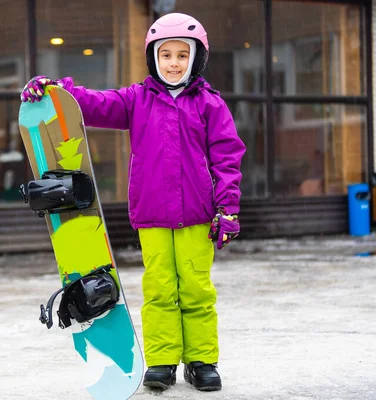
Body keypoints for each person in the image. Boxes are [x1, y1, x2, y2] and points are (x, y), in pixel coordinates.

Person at [20, 12, 246, 392]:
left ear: (196, 59)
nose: (173, 63)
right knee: (159, 289)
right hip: (153, 214)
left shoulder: (210, 104)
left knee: (196, 290)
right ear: (153, 59)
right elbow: (94, 105)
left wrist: (228, 208)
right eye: (165, 55)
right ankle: (161, 361)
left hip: (197, 215)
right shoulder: (137, 100)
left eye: (181, 56)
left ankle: (201, 361)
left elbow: (227, 157)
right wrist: (57, 91)